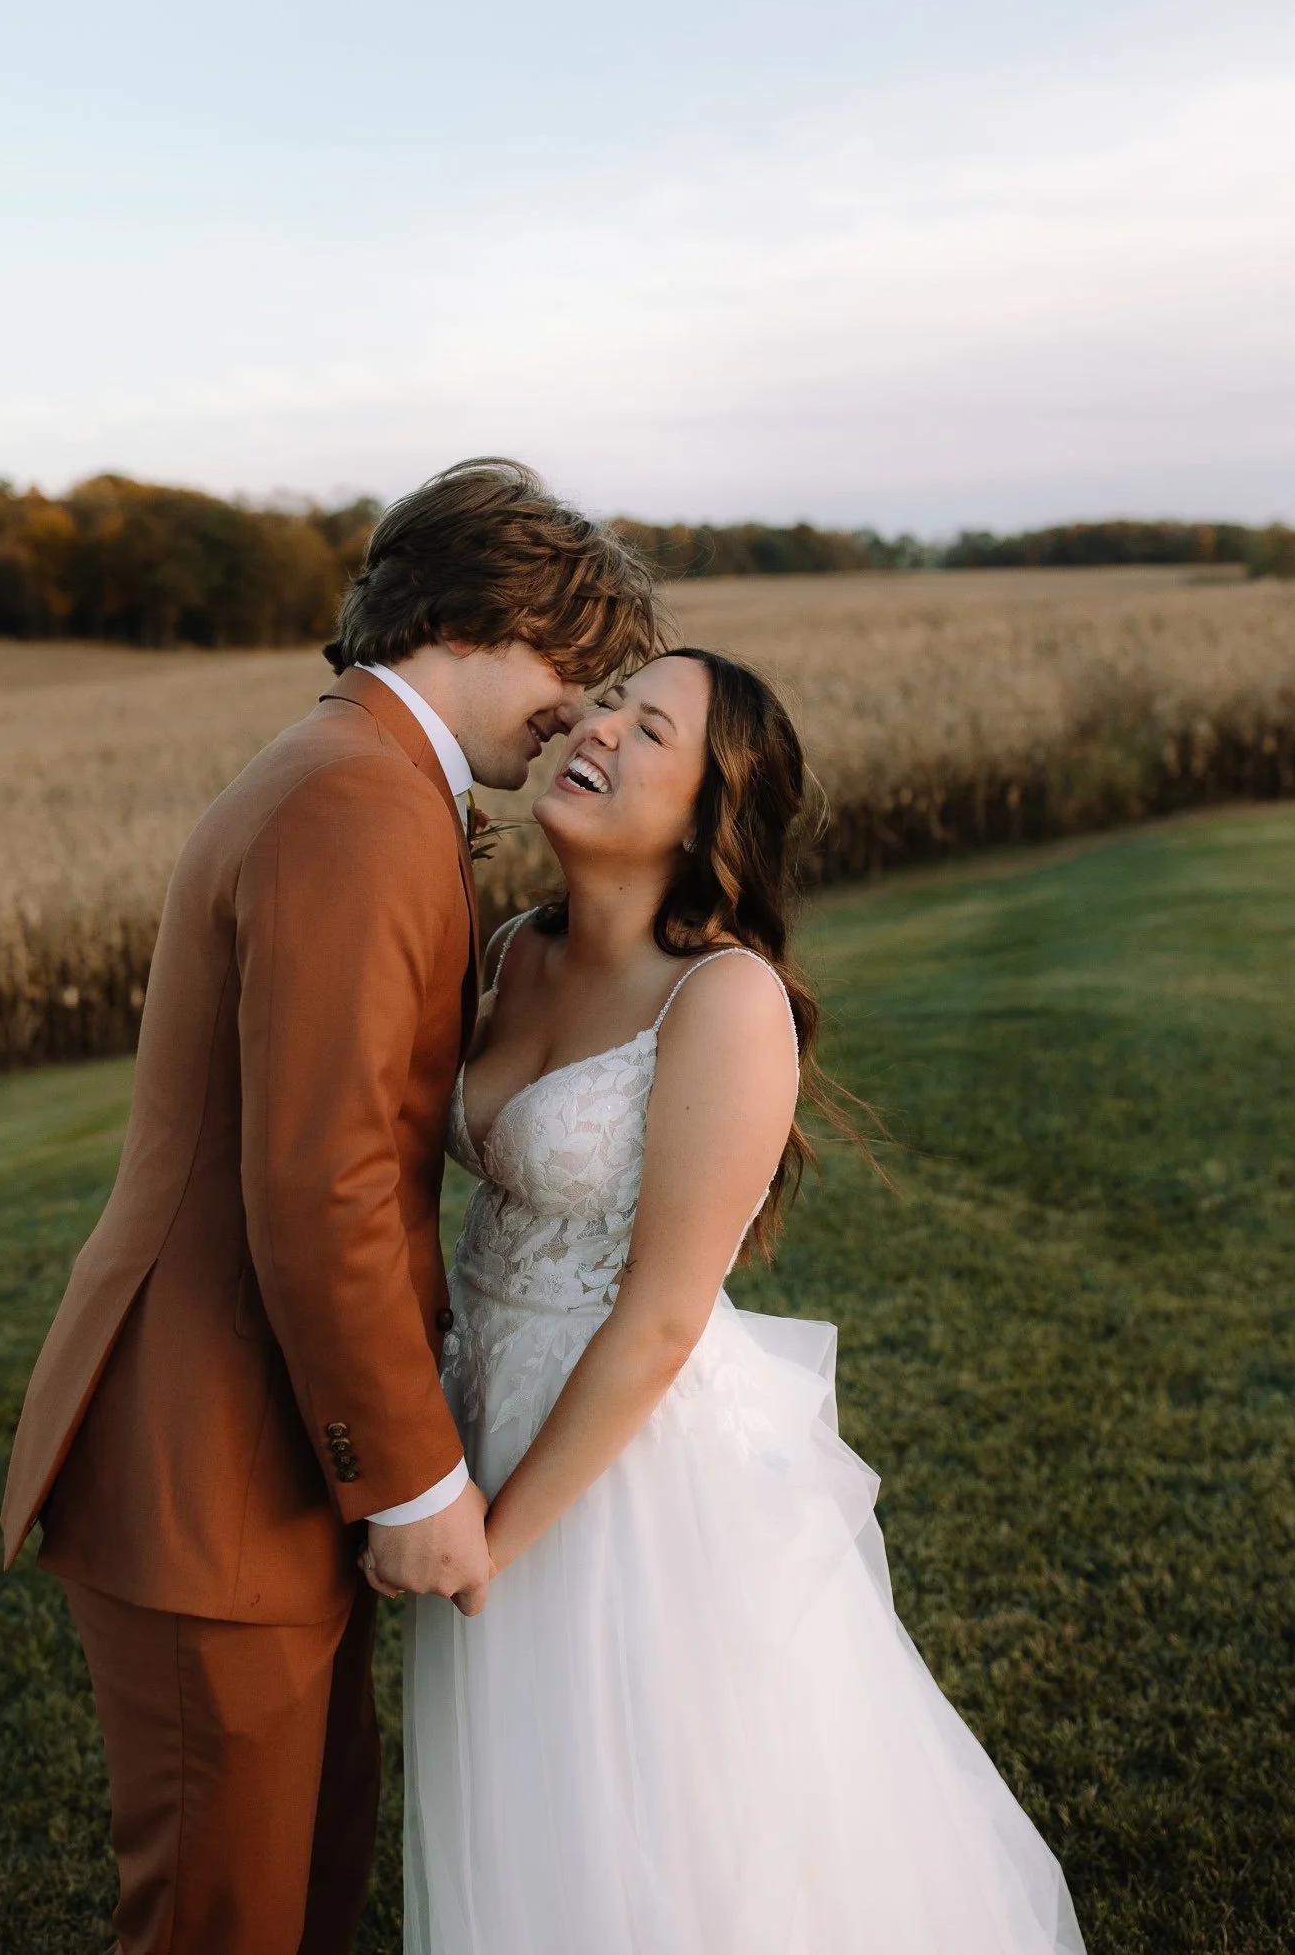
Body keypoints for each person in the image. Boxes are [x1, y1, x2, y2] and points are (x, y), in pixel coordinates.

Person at [0, 460, 658, 1955]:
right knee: (226, 1926)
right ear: (471, 618)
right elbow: (326, 1182)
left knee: (297, 1897)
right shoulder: (359, 802)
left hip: (256, 1451)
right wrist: (416, 1486)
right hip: (213, 1464)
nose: (576, 706)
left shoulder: (356, 773)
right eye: (568, 659)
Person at [396, 647, 1087, 1955]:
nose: (594, 726)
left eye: (646, 726)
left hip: (625, 1481)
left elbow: (658, 1318)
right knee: (525, 1828)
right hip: (481, 1420)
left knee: (667, 1844)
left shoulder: (726, 999)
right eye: (604, 702)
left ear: (709, 813)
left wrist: (493, 1538)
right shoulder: (512, 954)